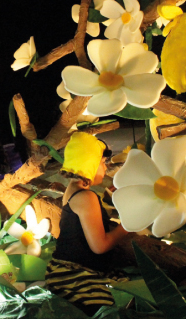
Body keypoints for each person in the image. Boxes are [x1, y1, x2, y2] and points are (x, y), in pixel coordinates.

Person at [46, 132, 130, 315]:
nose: (105, 167)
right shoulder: (86, 197)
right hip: (76, 275)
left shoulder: (73, 190)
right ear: (89, 164)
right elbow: (100, 246)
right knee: (122, 303)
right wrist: (127, 226)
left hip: (61, 268)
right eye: (102, 162)